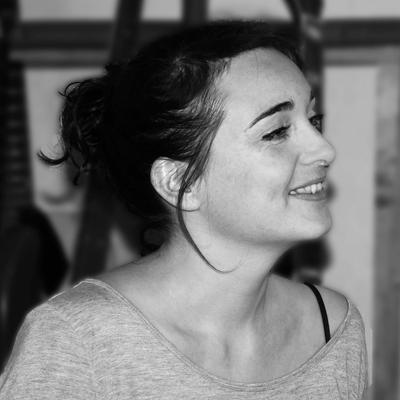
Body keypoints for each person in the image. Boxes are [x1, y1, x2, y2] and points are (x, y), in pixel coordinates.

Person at [0, 20, 368, 399]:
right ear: (180, 182)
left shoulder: (334, 329)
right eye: (276, 132)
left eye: (314, 120)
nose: (325, 149)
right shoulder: (74, 342)